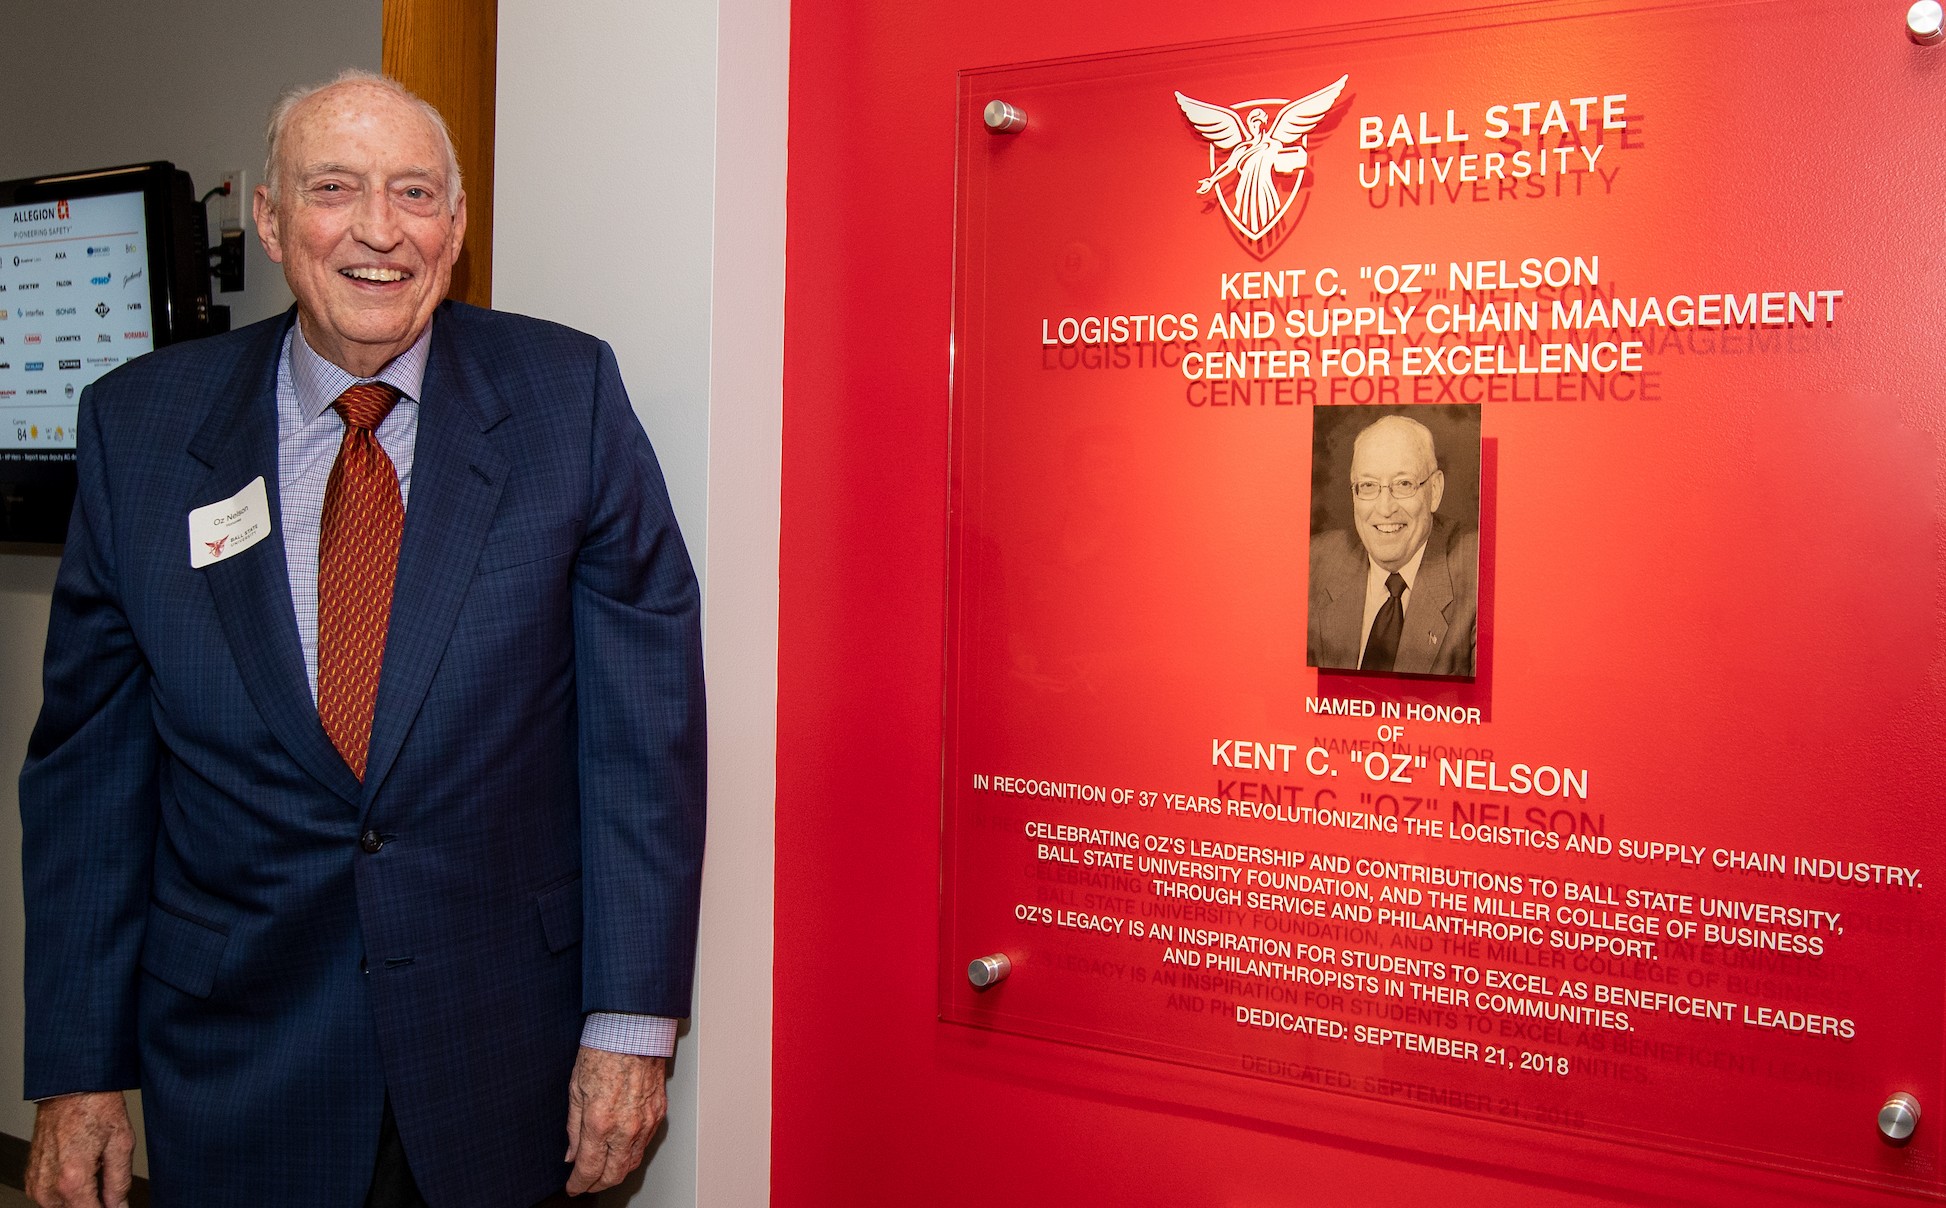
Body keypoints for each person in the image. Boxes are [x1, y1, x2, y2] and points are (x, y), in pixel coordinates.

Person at [18, 70, 705, 1208]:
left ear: (457, 225)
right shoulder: (138, 426)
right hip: (238, 1059)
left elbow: (646, 737)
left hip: (503, 1057)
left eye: (414, 192)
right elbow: (89, 777)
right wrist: (80, 1070)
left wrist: (630, 1029)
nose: (379, 230)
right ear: (275, 222)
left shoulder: (565, 398)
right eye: (334, 188)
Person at [1307, 413, 1477, 676]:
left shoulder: (1479, 570)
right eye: (1368, 485)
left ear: (1435, 490)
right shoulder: (1314, 563)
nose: (1385, 509)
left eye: (1404, 484)